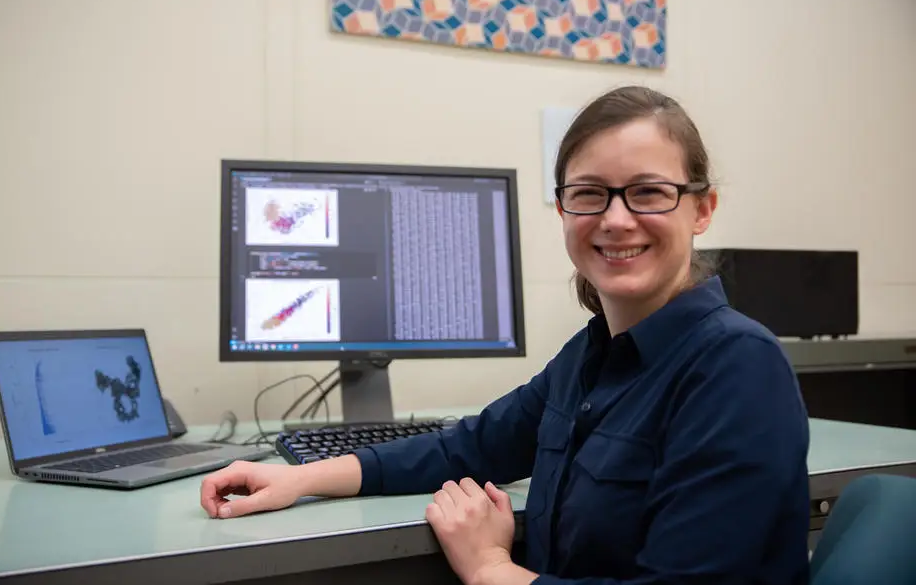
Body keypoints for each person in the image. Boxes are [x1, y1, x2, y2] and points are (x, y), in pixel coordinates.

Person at [200, 86, 811, 585]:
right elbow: (463, 448)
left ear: (702, 209)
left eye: (649, 192)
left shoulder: (735, 368)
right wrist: (297, 478)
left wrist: (492, 568)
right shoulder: (591, 358)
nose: (616, 218)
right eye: (590, 193)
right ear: (563, 209)